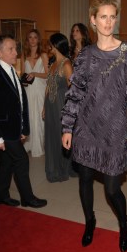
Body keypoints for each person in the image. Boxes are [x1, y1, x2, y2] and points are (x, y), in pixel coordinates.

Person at [61, 0, 127, 252]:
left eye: (112, 16)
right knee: (84, 180)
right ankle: (90, 222)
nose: (109, 22)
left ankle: (124, 224)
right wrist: (67, 127)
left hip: (115, 129)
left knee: (112, 188)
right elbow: (76, 91)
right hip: (86, 128)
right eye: (103, 17)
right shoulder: (85, 54)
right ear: (93, 20)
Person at [0, 34, 47, 208]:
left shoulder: (11, 70)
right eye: (10, 49)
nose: (15, 52)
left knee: (7, 162)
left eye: (15, 48)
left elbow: (20, 100)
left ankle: (1, 194)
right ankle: (28, 198)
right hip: (4, 130)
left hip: (15, 127)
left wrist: (24, 128)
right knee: (22, 160)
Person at [43, 33, 77, 182]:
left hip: (61, 106)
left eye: (50, 44)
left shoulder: (67, 64)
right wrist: (44, 107)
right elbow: (49, 86)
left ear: (55, 46)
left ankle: (64, 168)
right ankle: (53, 168)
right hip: (50, 106)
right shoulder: (53, 63)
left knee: (60, 136)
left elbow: (74, 90)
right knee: (51, 137)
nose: (48, 47)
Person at [21, 29, 48, 157]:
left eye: (35, 37)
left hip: (40, 90)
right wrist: (24, 80)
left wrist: (35, 74)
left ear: (38, 39)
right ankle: (29, 145)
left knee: (39, 117)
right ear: (27, 40)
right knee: (29, 116)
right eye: (30, 37)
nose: (32, 40)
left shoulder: (43, 55)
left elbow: (48, 74)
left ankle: (40, 146)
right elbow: (22, 75)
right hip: (28, 90)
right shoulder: (23, 55)